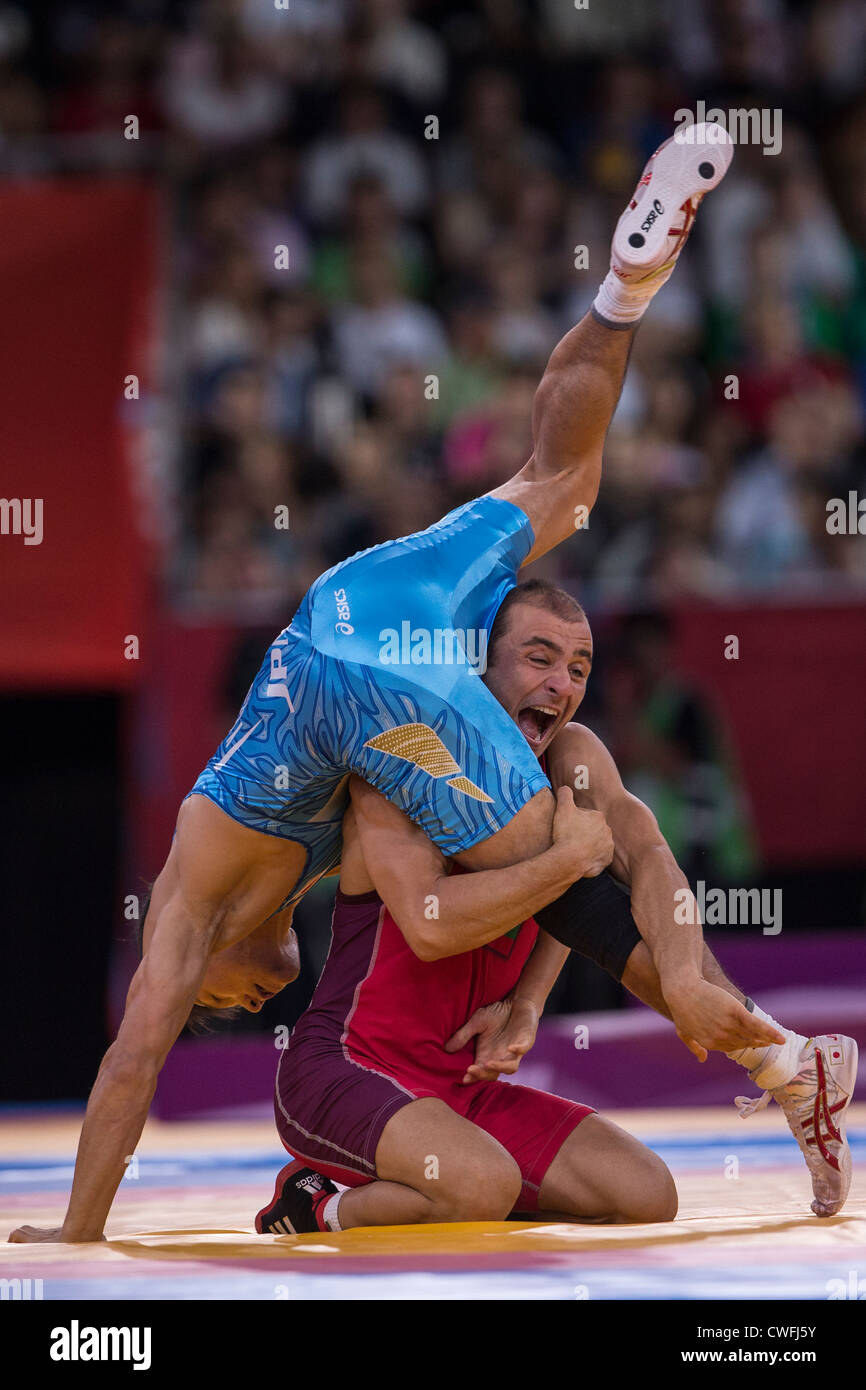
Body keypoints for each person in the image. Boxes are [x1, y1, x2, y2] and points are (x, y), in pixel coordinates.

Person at [10, 126, 739, 1244]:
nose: (255, 997)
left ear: (204, 965)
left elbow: (129, 1062)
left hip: (351, 670)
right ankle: (625, 288)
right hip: (362, 606)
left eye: (232, 997)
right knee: (564, 477)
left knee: (553, 834)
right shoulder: (262, 883)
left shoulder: (190, 901)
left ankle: (705, 1002)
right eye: (249, 1005)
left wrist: (77, 1234)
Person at [254, 581, 856, 1233]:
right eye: (538, 660)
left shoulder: (571, 757)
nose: (560, 684)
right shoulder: (408, 757)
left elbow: (647, 857)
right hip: (345, 1067)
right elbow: (431, 925)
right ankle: (311, 1203)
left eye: (577, 669)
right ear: (480, 662)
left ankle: (786, 1065)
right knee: (482, 1184)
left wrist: (552, 999)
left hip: (459, 1088)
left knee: (645, 1193)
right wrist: (566, 860)